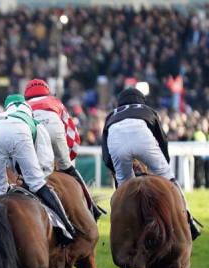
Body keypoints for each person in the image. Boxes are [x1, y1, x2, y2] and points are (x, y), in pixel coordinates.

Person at [102, 87, 201, 239]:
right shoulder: (146, 109)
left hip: (117, 145)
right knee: (170, 180)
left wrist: (116, 173)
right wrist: (163, 168)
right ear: (141, 100)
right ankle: (188, 220)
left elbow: (106, 154)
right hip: (143, 140)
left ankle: (123, 229)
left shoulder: (111, 115)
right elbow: (162, 141)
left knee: (124, 191)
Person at [0, 94, 76, 241]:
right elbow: (45, 162)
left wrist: (1, 181)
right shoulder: (33, 122)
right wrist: (30, 181)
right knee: (38, 184)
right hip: (19, 129)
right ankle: (68, 228)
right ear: (27, 108)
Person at [24, 79, 104, 219]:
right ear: (47, 92)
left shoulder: (24, 105)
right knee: (68, 167)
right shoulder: (55, 101)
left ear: (27, 96)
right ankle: (91, 206)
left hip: (33, 131)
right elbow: (72, 132)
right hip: (55, 128)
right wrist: (67, 159)